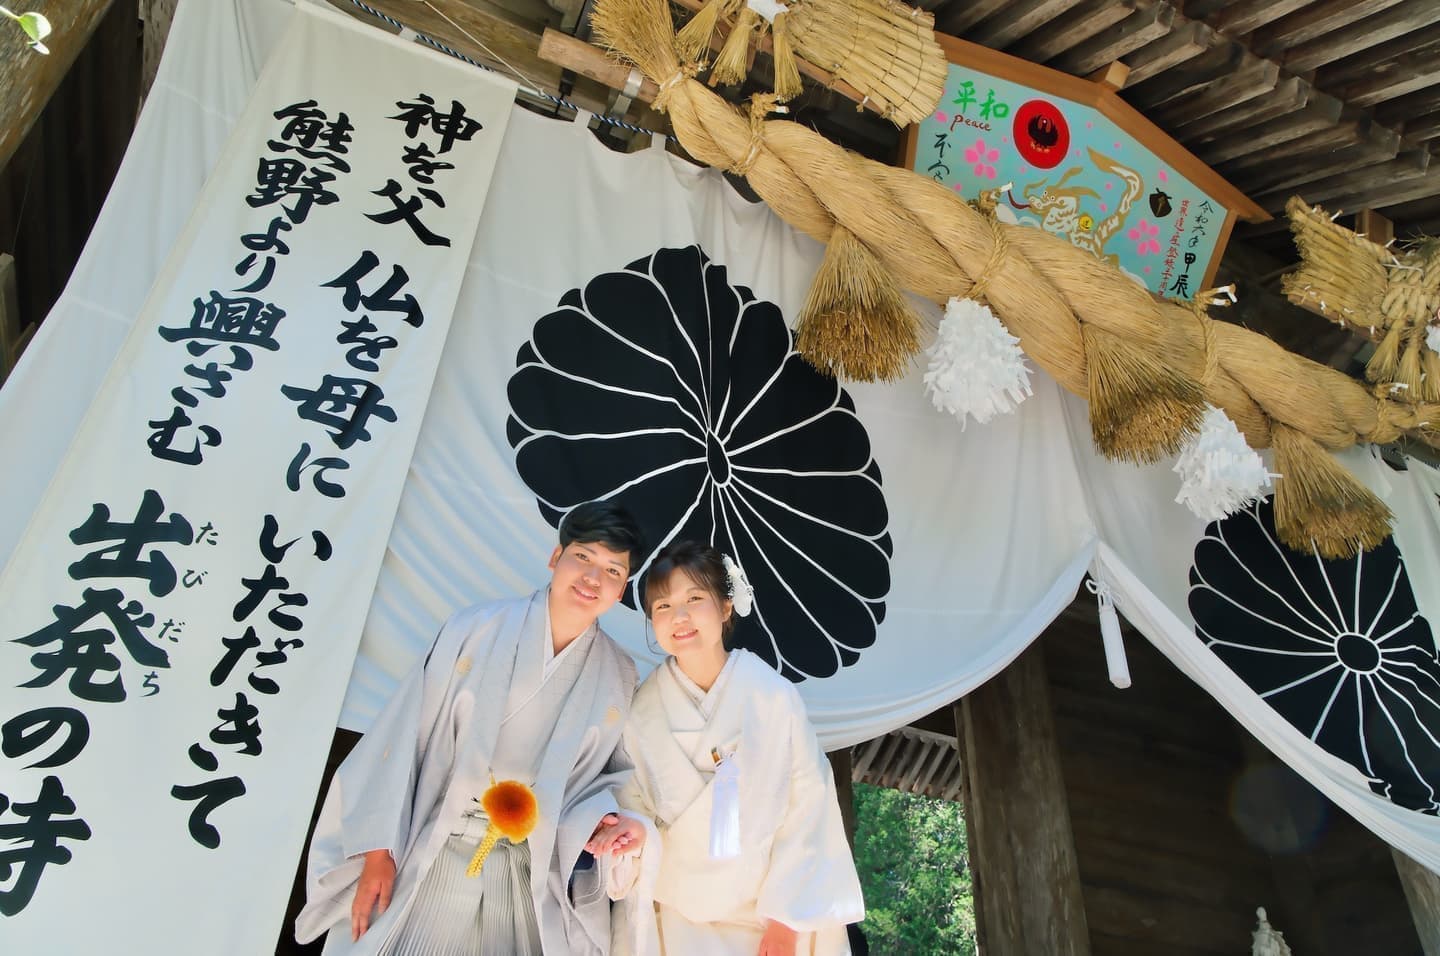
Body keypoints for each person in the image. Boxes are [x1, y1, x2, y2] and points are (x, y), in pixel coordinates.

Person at [295, 501, 653, 955]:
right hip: (435, 837)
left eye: (612, 571)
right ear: (555, 557)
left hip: (524, 866)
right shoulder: (475, 628)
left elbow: (603, 783)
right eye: (583, 557)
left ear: (621, 590)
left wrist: (600, 820)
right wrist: (378, 851)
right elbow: (399, 737)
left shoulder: (618, 674)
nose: (593, 578)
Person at [615, 540, 864, 956]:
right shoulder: (640, 712)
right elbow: (631, 804)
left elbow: (809, 806)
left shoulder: (772, 698)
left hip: (767, 917)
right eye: (663, 606)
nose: (679, 616)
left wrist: (785, 920)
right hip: (677, 918)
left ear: (726, 606)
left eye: (694, 599)